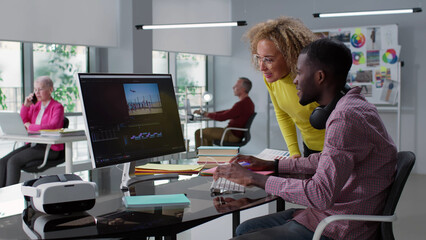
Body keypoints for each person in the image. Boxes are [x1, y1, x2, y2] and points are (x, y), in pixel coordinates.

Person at [214, 39, 397, 240]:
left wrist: (254, 178)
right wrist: (270, 165)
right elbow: (324, 160)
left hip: (337, 227)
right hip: (326, 216)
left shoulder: (344, 118)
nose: (295, 80)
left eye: (299, 73)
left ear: (319, 77)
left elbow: (320, 194)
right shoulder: (353, 106)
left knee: (241, 236)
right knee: (244, 229)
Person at [244, 16, 325, 158]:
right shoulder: (270, 79)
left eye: (268, 59)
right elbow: (282, 114)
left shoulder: (315, 79)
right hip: (310, 148)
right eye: (259, 58)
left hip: (337, 147)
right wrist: (294, 152)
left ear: (290, 56)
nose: (262, 67)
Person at [0, 76, 65, 188]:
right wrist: (26, 106)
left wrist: (31, 127)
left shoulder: (57, 107)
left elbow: (53, 126)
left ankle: (9, 196)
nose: (37, 92)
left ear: (50, 90)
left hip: (49, 148)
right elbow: (23, 122)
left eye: (40, 89)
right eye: (35, 89)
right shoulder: (35, 106)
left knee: (13, 162)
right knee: (2, 161)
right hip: (33, 144)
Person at [194, 77, 254, 149]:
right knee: (206, 135)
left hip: (231, 135)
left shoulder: (241, 104)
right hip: (234, 134)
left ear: (243, 89)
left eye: (236, 86)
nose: (233, 87)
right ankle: (207, 157)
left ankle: (201, 157)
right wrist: (208, 113)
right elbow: (228, 112)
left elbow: (222, 117)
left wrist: (205, 114)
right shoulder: (248, 103)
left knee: (198, 132)